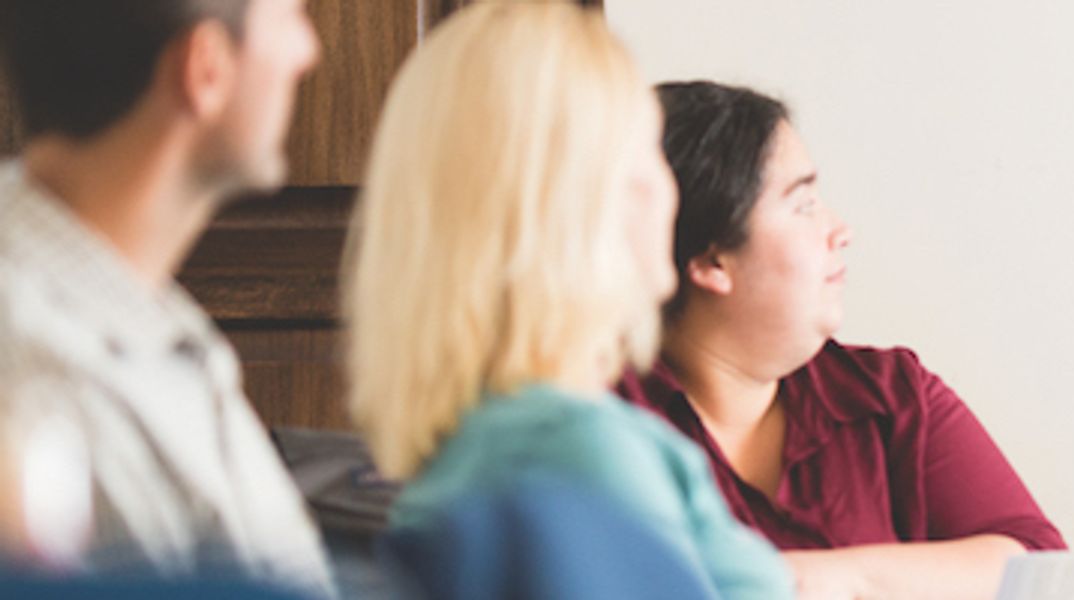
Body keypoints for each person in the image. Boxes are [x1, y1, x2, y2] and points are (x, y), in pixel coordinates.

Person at [341, 4, 789, 598]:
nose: (666, 186)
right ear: (585, 197)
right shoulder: (584, 452)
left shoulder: (467, 457)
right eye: (648, 150)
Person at [617, 80, 1065, 599]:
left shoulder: (892, 396)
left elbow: (1040, 567)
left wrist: (824, 580)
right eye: (803, 204)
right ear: (712, 260)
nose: (839, 230)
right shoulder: (601, 423)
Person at [0, 0, 331, 594]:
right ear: (205, 70)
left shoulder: (133, 307)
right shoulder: (43, 383)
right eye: (290, 17)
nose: (308, 52)